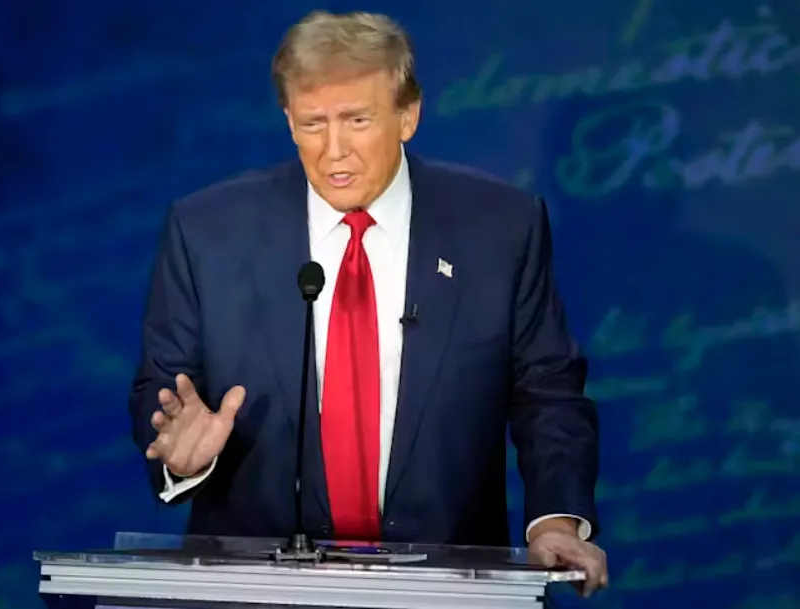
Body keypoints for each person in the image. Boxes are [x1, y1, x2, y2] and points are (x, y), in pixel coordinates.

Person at [129, 10, 608, 597]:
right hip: (256, 592)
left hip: (445, 590)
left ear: (408, 115)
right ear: (287, 120)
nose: (335, 152)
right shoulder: (206, 232)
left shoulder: (500, 228)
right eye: (312, 124)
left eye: (357, 120)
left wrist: (556, 517)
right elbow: (161, 386)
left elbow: (548, 391)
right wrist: (182, 456)